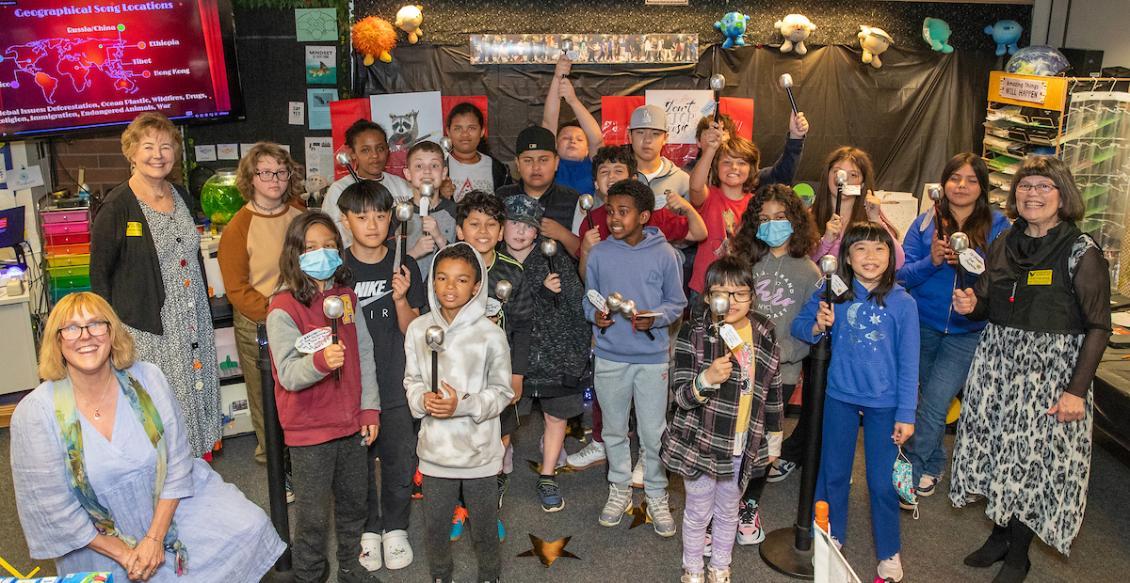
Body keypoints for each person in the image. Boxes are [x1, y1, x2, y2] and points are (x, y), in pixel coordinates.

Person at [10, 292, 284, 582]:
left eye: (96, 325)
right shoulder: (35, 414)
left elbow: (178, 463)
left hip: (166, 507)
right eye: (71, 328)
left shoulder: (148, 378)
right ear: (57, 341)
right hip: (98, 537)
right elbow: (55, 511)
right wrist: (125, 554)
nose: (85, 336)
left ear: (112, 333)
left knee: (248, 527)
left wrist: (154, 539)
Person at [950, 156, 1111, 583]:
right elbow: (986, 302)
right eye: (1025, 185)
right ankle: (1000, 535)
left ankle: (1019, 554)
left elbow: (1099, 327)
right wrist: (970, 307)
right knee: (999, 453)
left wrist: (1076, 390)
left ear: (1063, 196)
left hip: (1051, 375)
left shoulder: (1082, 251)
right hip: (999, 364)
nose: (1032, 194)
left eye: (1043, 186)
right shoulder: (1005, 242)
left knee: (1032, 463)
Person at [792, 222, 919, 583]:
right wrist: (818, 324)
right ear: (846, 256)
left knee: (882, 483)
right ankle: (832, 540)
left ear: (891, 257)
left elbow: (910, 362)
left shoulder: (903, 302)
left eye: (880, 249)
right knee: (833, 474)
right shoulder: (831, 291)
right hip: (840, 397)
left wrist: (906, 413)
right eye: (860, 249)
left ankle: (889, 551)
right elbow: (801, 327)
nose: (870, 257)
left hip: (886, 404)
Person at [90, 111, 220, 459]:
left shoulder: (180, 196)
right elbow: (99, 277)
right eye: (148, 146)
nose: (157, 154)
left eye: (166, 146)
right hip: (148, 330)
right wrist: (107, 333)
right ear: (131, 153)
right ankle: (166, 486)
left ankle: (196, 476)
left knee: (195, 396)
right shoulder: (117, 206)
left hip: (192, 322)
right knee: (160, 410)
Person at [266, 211, 382, 583]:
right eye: (311, 247)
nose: (322, 253)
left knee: (353, 505)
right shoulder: (283, 307)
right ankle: (310, 576)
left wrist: (369, 409)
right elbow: (287, 374)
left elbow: (364, 351)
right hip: (310, 430)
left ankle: (350, 566)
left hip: (350, 424)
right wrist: (319, 361)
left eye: (329, 246)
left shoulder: (345, 297)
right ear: (295, 253)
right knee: (314, 517)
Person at [897, 153, 1010, 504]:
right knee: (921, 400)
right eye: (955, 178)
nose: (961, 186)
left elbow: (1004, 278)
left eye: (971, 180)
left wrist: (974, 279)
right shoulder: (925, 223)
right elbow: (900, 275)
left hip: (968, 331)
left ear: (982, 187)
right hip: (924, 325)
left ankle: (912, 472)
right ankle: (936, 461)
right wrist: (931, 262)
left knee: (934, 402)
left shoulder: (999, 225)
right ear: (943, 183)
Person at [663, 255, 783, 583]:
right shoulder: (695, 331)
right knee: (698, 510)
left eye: (739, 293)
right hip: (700, 441)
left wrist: (773, 438)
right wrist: (706, 379)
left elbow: (772, 388)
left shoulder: (763, 331)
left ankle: (720, 566)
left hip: (742, 442)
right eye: (721, 293)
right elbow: (681, 396)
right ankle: (692, 568)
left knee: (729, 509)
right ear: (706, 297)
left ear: (752, 295)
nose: (730, 302)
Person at [583, 179, 688, 537]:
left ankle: (657, 493)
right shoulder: (598, 254)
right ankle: (619, 487)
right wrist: (594, 315)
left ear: (643, 216)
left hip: (652, 358)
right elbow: (590, 298)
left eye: (623, 212)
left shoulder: (666, 254)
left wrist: (654, 318)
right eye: (610, 210)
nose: (613, 218)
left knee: (652, 431)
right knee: (613, 429)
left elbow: (677, 303)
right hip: (610, 356)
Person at [405, 243, 514, 583]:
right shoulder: (418, 329)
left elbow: (502, 393)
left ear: (477, 285)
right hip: (436, 451)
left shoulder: (491, 335)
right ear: (432, 283)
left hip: (479, 452)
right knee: (435, 526)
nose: (450, 287)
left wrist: (462, 405)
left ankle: (490, 575)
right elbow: (412, 381)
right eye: (442, 278)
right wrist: (423, 401)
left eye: (461, 280)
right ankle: (440, 575)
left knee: (483, 526)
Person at [339, 181, 427, 571]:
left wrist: (402, 299)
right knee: (356, 468)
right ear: (345, 221)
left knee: (398, 462)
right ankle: (368, 530)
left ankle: (395, 529)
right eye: (361, 217)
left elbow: (416, 330)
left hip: (396, 381)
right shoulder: (337, 268)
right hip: (351, 388)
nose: (371, 225)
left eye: (379, 215)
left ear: (391, 218)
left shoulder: (404, 265)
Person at [728, 183, 820, 542]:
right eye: (764, 219)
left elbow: (807, 329)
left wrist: (786, 354)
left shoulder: (810, 272)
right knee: (733, 436)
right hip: (737, 366)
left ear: (795, 221)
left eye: (780, 218)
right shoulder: (745, 263)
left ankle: (750, 502)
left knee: (765, 440)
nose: (772, 225)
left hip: (781, 371)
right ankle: (724, 501)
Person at [218, 141, 305, 468]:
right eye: (265, 172)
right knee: (267, 400)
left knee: (303, 395)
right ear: (250, 178)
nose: (274, 179)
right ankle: (274, 466)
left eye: (281, 172)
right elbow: (237, 289)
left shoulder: (301, 215)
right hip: (260, 323)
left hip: (304, 320)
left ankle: (303, 460)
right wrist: (278, 316)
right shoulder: (238, 228)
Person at [503, 194, 590, 512]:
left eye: (527, 225)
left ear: (537, 231)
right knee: (506, 419)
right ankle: (497, 471)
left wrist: (576, 357)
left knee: (555, 417)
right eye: (513, 222)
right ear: (502, 227)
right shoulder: (494, 263)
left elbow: (576, 307)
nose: (520, 231)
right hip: (512, 362)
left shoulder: (554, 260)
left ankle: (548, 473)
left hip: (554, 357)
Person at [453, 191, 529, 539]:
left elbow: (524, 327)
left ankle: (487, 508)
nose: (482, 231)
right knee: (458, 440)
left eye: (491, 224)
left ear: (501, 232)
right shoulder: (447, 268)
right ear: (459, 230)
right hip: (457, 374)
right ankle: (458, 506)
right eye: (474, 224)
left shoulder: (512, 272)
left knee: (498, 439)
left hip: (499, 375)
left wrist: (517, 375)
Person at [687, 111, 810, 299]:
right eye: (727, 162)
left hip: (744, 288)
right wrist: (711, 150)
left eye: (741, 163)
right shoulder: (709, 196)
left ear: (751, 169)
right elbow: (695, 186)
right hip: (706, 286)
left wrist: (796, 138)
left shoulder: (758, 203)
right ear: (716, 166)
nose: (734, 168)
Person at [810, 147, 905, 268]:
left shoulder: (872, 215)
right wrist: (825, 242)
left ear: (862, 184)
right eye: (837, 172)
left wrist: (875, 220)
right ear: (827, 176)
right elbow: (798, 266)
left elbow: (898, 262)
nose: (844, 180)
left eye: (853, 175)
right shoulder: (809, 217)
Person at [324, 119, 413, 246]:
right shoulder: (339, 190)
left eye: (380, 148)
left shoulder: (403, 186)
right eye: (365, 150)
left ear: (388, 150)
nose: (375, 156)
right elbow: (332, 236)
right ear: (353, 154)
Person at [496, 125, 581, 256]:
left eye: (543, 160)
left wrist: (562, 234)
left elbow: (585, 254)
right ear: (517, 163)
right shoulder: (502, 197)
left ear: (556, 162)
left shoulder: (572, 199)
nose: (536, 167)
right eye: (528, 160)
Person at [541, 54, 604, 196]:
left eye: (580, 139)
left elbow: (597, 139)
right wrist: (557, 77)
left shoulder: (594, 166)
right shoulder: (551, 165)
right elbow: (548, 121)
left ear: (588, 149)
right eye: (565, 138)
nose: (572, 141)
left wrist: (573, 100)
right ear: (555, 145)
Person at [401, 140, 459, 280]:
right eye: (419, 166)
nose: (427, 171)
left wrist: (439, 237)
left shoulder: (455, 212)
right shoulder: (399, 214)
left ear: (444, 172)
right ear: (408, 174)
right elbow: (389, 263)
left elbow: (462, 260)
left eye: (434, 165)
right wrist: (414, 253)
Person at [445, 102, 512, 202]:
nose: (465, 134)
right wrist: (438, 195)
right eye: (458, 128)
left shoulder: (498, 169)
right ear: (448, 132)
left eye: (471, 128)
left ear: (482, 131)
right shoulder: (437, 166)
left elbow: (507, 208)